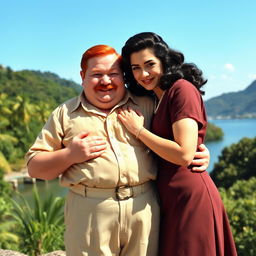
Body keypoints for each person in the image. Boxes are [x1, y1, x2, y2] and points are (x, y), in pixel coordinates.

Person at [25, 44, 210, 256]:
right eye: (96, 74)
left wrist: (200, 151)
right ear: (82, 76)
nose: (106, 81)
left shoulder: (147, 103)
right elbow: (35, 169)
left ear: (123, 76)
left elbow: (181, 138)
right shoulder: (64, 114)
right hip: (89, 212)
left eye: (113, 74)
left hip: (144, 211)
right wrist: (70, 155)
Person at [118, 32, 237, 256]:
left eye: (149, 64)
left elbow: (184, 153)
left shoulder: (181, 90)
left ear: (164, 60)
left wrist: (138, 130)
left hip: (189, 196)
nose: (143, 74)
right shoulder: (153, 98)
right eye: (135, 68)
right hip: (169, 198)